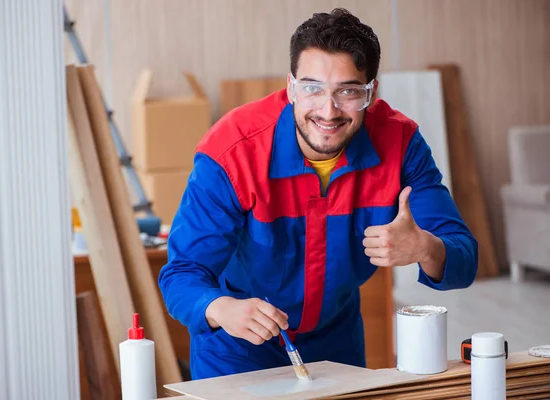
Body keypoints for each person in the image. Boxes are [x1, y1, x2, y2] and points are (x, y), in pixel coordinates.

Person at [158, 8, 478, 380]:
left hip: (336, 346)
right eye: (312, 88)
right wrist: (219, 307)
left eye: (348, 91)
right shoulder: (232, 152)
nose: (328, 110)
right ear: (291, 86)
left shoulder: (401, 144)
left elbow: (464, 259)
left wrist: (425, 247)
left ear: (370, 93)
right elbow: (182, 273)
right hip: (237, 347)